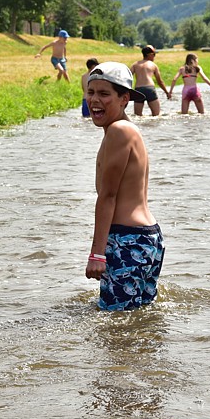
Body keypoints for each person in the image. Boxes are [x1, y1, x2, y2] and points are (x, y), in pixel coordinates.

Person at [84, 62, 166, 311]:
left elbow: (108, 196)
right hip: (145, 239)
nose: (94, 100)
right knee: (134, 323)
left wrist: (97, 254)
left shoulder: (119, 131)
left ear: (124, 99)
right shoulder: (127, 129)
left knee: (114, 326)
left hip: (127, 240)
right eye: (91, 92)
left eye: (104, 94)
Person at [130, 45, 170, 116]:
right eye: (154, 55)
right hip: (149, 89)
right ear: (149, 55)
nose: (154, 57)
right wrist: (167, 92)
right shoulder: (153, 65)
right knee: (156, 115)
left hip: (138, 90)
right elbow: (159, 81)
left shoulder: (135, 64)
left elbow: (129, 77)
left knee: (137, 115)